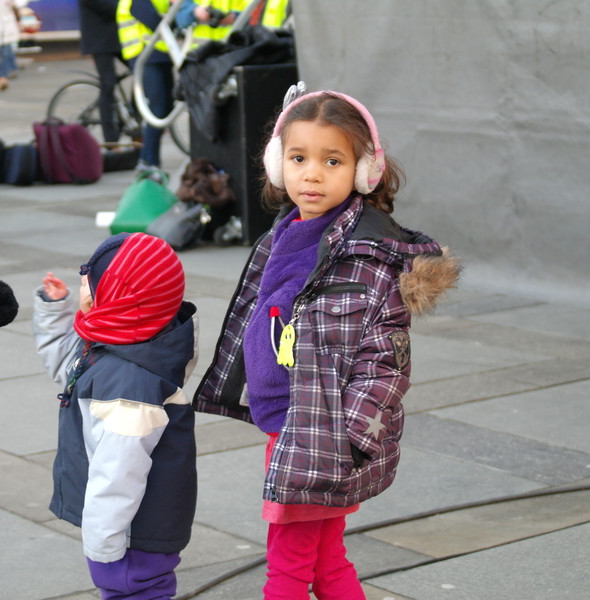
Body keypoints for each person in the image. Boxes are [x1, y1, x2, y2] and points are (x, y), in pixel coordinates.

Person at [192, 86, 461, 599]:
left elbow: (386, 362)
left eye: (332, 161)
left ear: (363, 171)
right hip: (289, 422)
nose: (311, 174)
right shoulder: (284, 233)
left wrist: (348, 441)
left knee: (287, 571)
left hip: (322, 435)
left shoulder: (366, 257)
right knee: (325, 561)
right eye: (298, 158)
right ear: (277, 162)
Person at [33, 232, 198, 600]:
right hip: (132, 526)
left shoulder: (130, 386)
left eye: (89, 284)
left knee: (136, 591)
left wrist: (103, 545)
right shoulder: (130, 343)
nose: (83, 288)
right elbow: (70, 369)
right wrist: (54, 311)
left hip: (132, 533)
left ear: (115, 297)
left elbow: (118, 474)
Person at [116, 0, 172, 170]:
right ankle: (148, 161)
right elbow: (153, 21)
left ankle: (148, 159)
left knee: (165, 108)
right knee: (157, 108)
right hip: (144, 53)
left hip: (160, 53)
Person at [77, 0, 126, 145]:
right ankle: (110, 140)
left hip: (120, 37)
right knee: (108, 84)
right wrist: (129, 8)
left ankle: (135, 120)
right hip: (99, 40)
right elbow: (104, 5)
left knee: (142, 72)